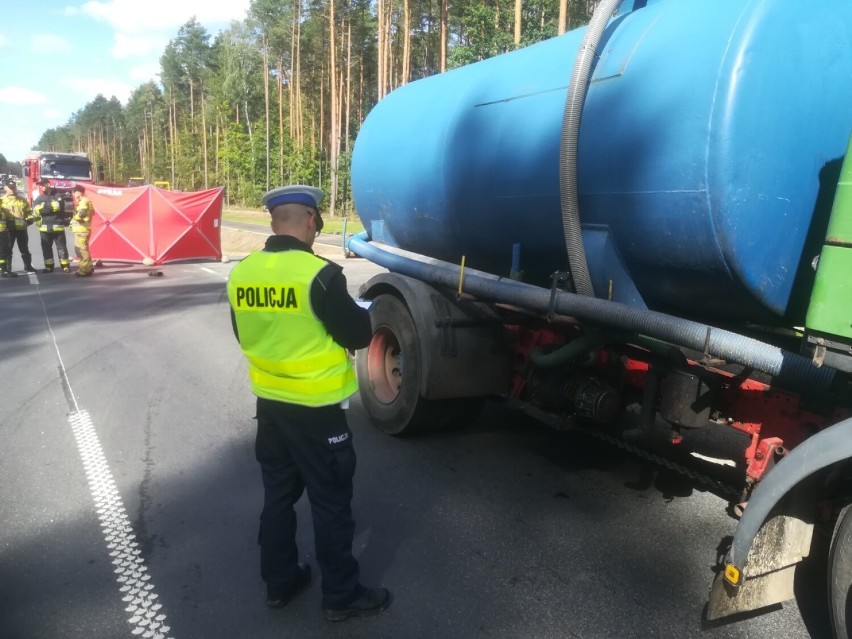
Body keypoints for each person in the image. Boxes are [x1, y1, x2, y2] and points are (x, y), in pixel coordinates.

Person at [226, 185, 391, 622]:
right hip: (318, 411)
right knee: (330, 500)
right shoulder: (320, 275)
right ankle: (341, 595)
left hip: (271, 406)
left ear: (273, 222)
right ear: (311, 221)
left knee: (278, 496)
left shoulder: (243, 272)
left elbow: (244, 335)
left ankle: (279, 584)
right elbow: (357, 335)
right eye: (317, 221)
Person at [32, 178, 71, 273]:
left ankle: (65, 266)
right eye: (40, 185)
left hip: (57, 226)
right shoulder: (39, 198)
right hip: (44, 228)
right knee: (46, 249)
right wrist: (50, 207)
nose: (41, 187)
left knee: (61, 248)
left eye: (42, 185)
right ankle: (49, 267)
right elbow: (36, 210)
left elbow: (58, 207)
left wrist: (43, 208)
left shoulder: (58, 196)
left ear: (48, 184)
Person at [2, 179, 36, 273]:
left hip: (22, 229)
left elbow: (29, 213)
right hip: (8, 230)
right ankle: (7, 269)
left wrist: (28, 222)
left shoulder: (22, 200)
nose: (13, 190)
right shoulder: (2, 201)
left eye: (14, 188)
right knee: (8, 250)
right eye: (10, 188)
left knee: (24, 249)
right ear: (5, 188)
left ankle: (28, 267)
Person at [70, 184, 94, 276]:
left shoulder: (84, 201)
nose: (74, 194)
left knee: (81, 250)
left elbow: (82, 213)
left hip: (81, 230)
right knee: (85, 249)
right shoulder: (86, 201)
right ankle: (89, 267)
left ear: (78, 192)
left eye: (74, 192)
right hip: (84, 230)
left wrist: (74, 218)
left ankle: (85, 270)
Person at [0, 190, 15, 278]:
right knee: (3, 252)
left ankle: (4, 270)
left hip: (3, 232)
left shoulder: (2, 210)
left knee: (4, 251)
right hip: (1, 233)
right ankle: (3, 270)